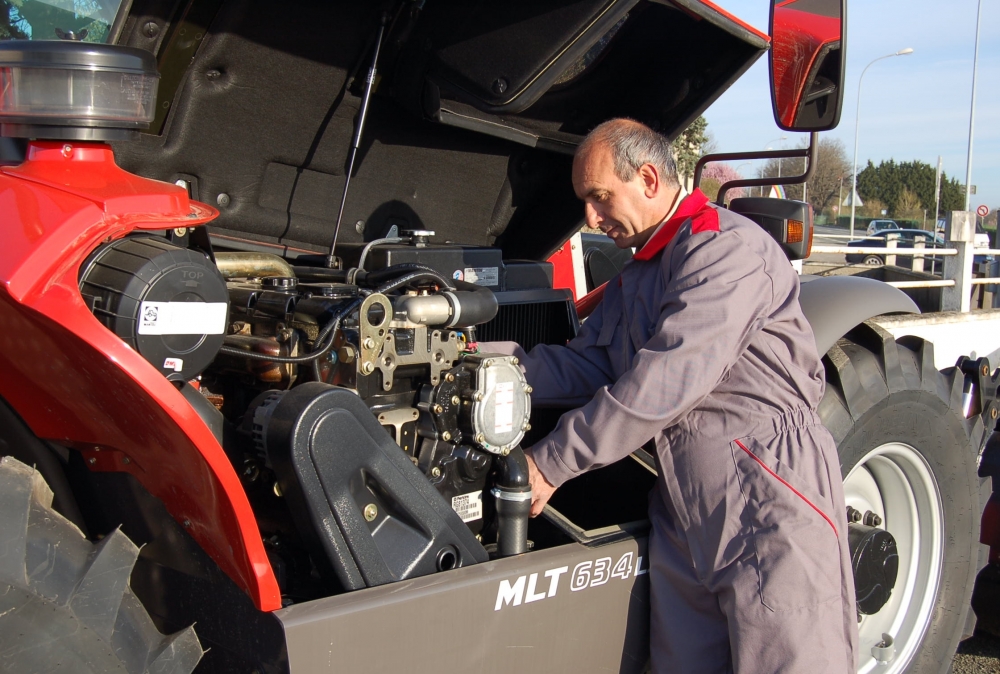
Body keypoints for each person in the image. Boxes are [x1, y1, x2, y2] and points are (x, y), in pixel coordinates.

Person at [487, 119, 858, 673]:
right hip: (684, 503)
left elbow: (665, 382)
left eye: (600, 197)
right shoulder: (640, 273)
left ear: (650, 179)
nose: (589, 217)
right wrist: (482, 366)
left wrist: (552, 463)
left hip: (766, 488)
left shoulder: (725, 251)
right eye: (586, 201)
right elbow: (590, 363)